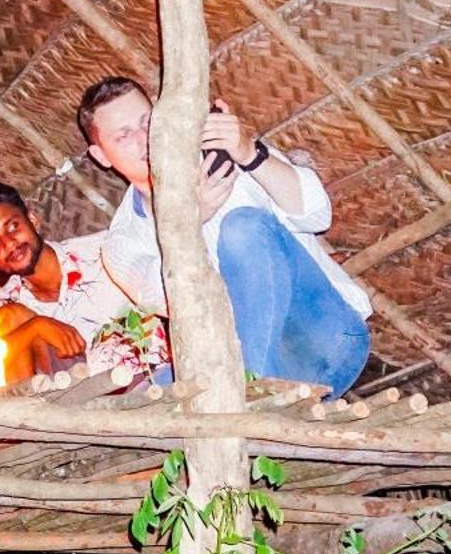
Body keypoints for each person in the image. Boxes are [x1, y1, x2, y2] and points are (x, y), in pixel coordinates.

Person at [77, 75, 372, 396]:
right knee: (145, 394)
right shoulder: (123, 243)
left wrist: (250, 153)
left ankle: (248, 392)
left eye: (147, 122)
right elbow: (184, 307)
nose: (144, 138)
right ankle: (249, 391)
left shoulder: (222, 154)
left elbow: (318, 215)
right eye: (123, 136)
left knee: (241, 228)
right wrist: (188, 226)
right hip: (237, 361)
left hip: (325, 342)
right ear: (101, 155)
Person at [0, 181, 164, 381]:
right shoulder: (8, 305)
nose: (9, 243)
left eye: (12, 226)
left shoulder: (105, 251)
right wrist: (34, 329)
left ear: (33, 220)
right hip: (82, 405)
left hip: (159, 380)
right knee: (11, 321)